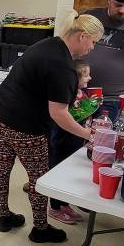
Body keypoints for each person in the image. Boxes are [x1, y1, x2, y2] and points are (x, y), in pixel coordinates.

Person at [0, 12, 103, 243]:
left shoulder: (48, 44)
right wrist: (88, 134)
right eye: (94, 42)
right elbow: (59, 113)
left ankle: (5, 217)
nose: (92, 48)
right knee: (39, 178)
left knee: (2, 166)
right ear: (82, 36)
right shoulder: (63, 66)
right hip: (25, 128)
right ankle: (40, 229)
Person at [47, 61, 93, 225]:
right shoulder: (66, 94)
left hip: (75, 140)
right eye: (86, 75)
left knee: (68, 173)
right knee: (58, 172)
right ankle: (55, 207)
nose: (90, 78)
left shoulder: (82, 93)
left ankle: (64, 204)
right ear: (75, 78)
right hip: (61, 140)